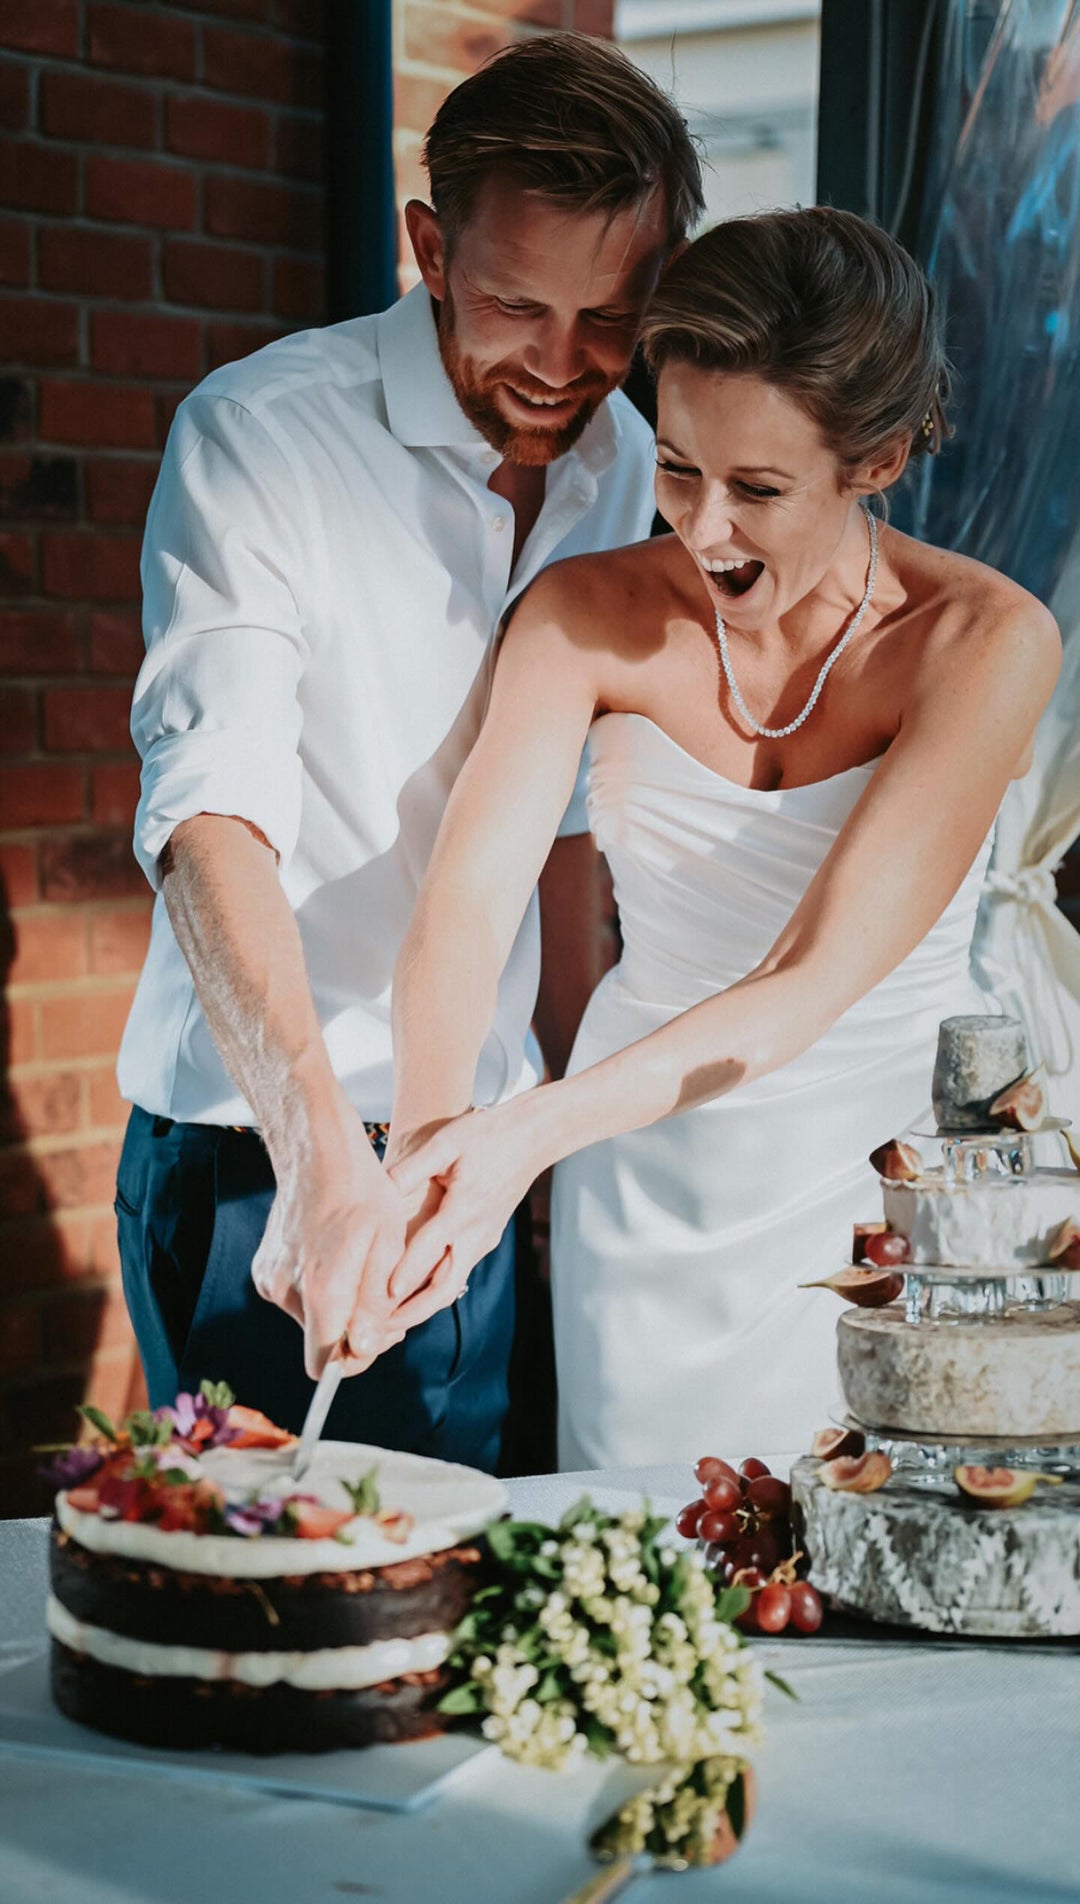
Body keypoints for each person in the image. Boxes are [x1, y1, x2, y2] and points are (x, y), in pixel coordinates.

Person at [383, 208, 1061, 1468]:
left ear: (879, 462)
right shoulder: (584, 613)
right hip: (643, 1176)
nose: (701, 530)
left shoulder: (985, 640)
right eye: (679, 466)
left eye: (757, 489)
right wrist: (432, 1160)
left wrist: (528, 1132)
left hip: (890, 1183)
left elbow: (804, 981)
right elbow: (466, 899)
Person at [114, 33, 704, 1471]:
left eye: (611, 317)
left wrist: (565, 1143)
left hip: (484, 1152)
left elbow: (563, 823)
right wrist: (323, 1157)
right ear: (427, 248)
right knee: (277, 1632)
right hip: (267, 1152)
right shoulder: (258, 439)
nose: (564, 367)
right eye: (518, 305)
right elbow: (211, 817)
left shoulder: (634, 467)